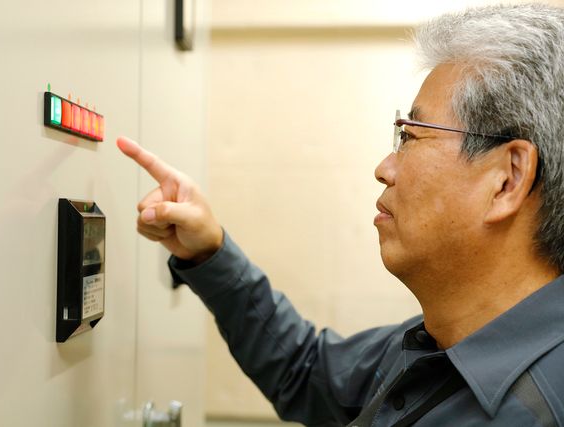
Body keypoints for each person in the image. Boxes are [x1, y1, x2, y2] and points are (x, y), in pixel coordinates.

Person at [118, 4, 564, 426]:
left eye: (410, 136)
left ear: (507, 179)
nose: (384, 169)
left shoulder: (537, 409)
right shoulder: (441, 343)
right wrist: (210, 252)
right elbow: (304, 370)